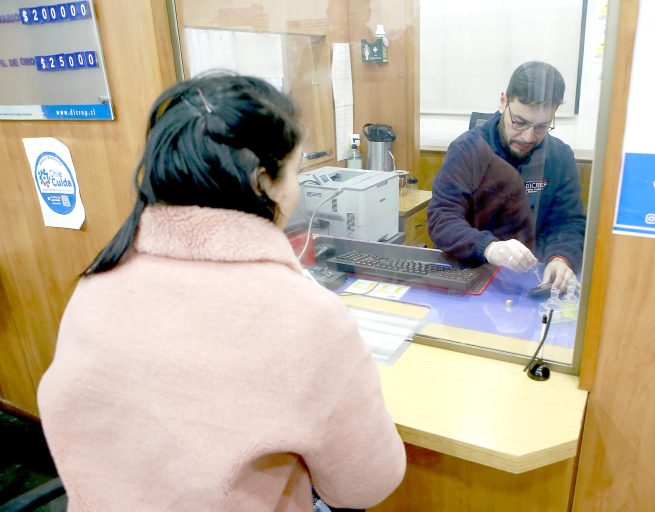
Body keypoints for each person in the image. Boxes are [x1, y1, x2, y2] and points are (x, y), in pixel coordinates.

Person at [36, 73, 405, 511]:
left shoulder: (96, 284)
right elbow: (365, 485)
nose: (298, 187)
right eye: (296, 170)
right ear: (262, 181)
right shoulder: (307, 318)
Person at [427, 61, 585, 291]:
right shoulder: (468, 150)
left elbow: (568, 223)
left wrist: (561, 258)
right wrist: (489, 247)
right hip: (471, 274)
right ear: (503, 101)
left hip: (534, 281)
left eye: (542, 126)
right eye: (519, 122)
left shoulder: (559, 156)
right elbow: (443, 218)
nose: (528, 137)